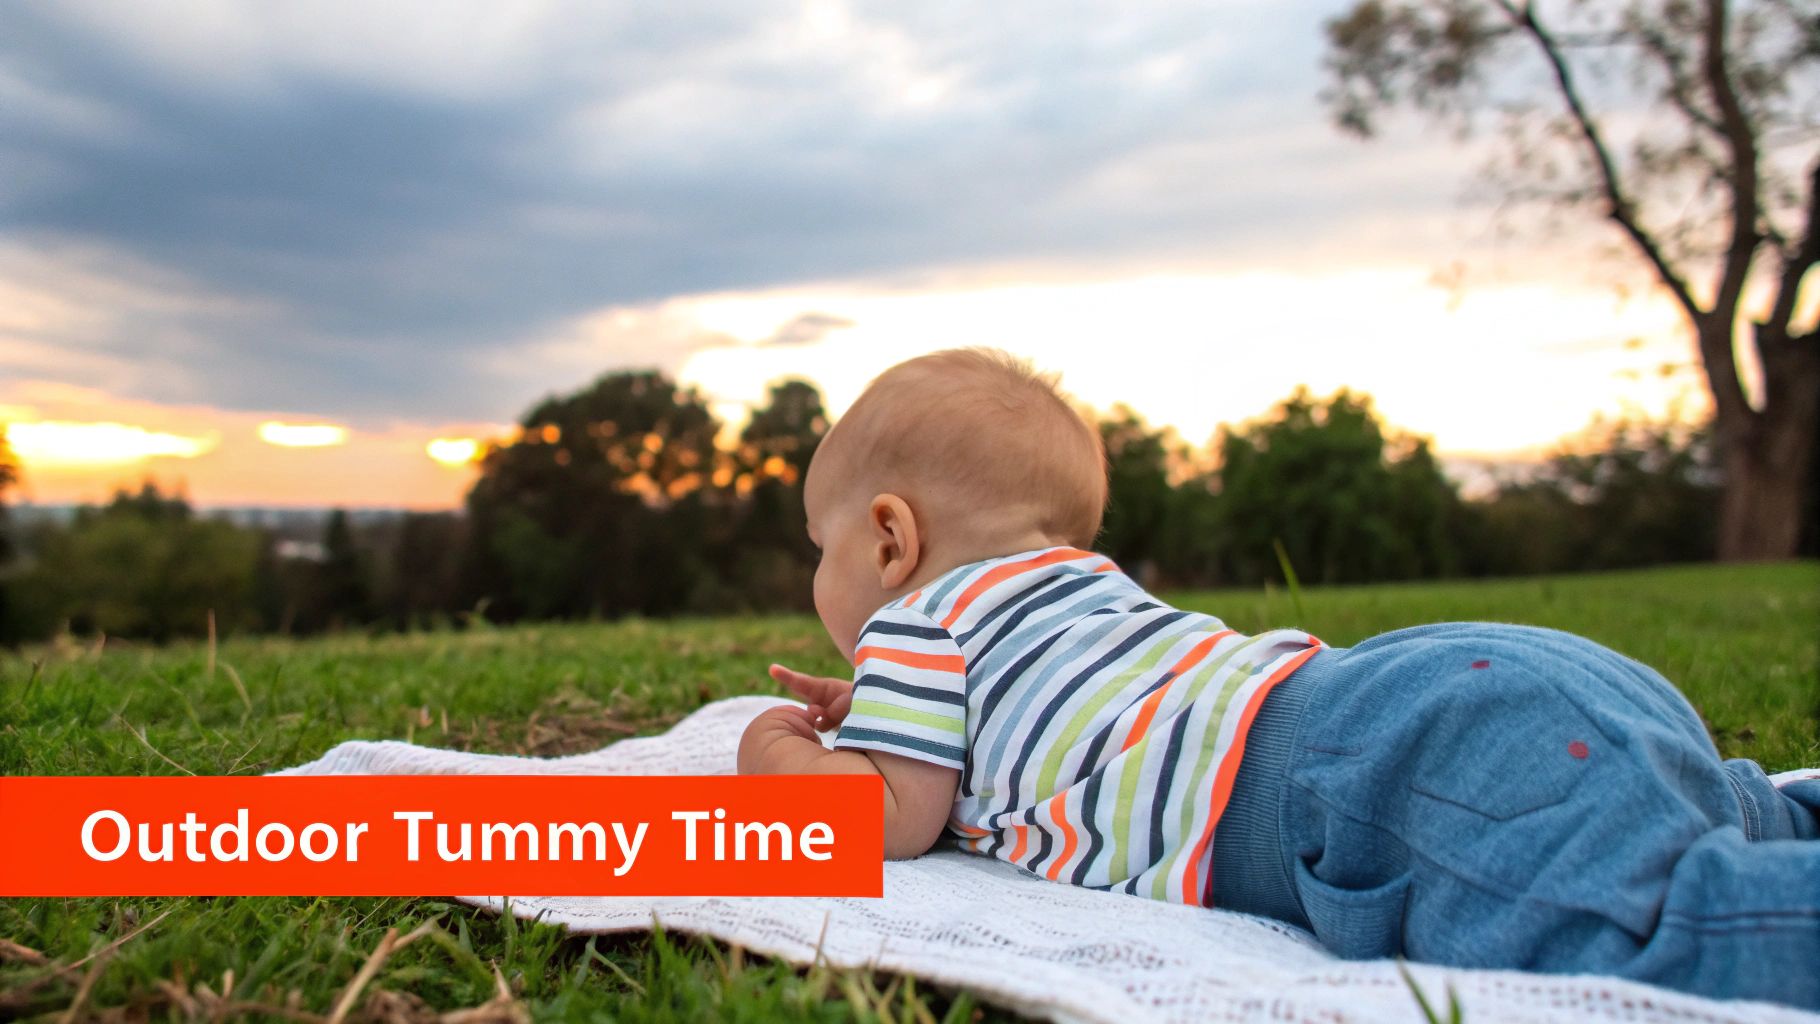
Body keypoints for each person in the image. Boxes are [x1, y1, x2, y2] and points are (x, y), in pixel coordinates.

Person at [736, 347, 1820, 1010]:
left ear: (890, 539)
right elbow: (1001, 725)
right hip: (1450, 685)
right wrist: (881, 715)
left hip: (1380, 776)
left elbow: (888, 817)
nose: (816, 576)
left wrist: (774, 750)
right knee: (1724, 814)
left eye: (819, 546)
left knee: (1656, 934)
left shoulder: (917, 620)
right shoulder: (1082, 592)